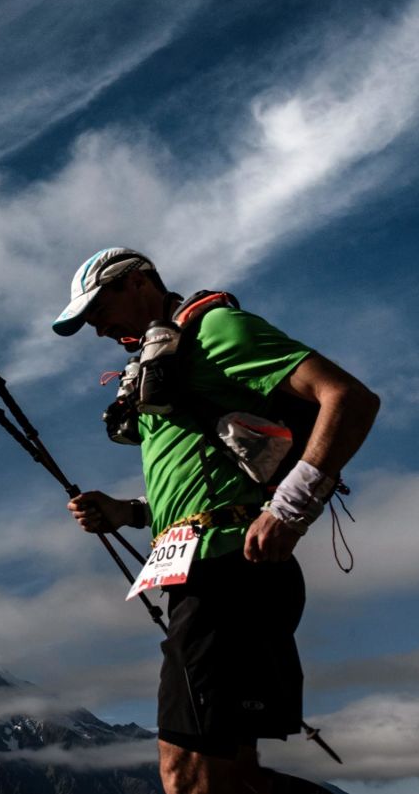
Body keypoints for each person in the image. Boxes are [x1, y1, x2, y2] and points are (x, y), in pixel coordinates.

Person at [51, 248, 380, 794]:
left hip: (232, 573)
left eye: (97, 307)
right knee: (221, 776)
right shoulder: (163, 364)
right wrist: (129, 513)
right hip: (205, 575)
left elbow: (348, 397)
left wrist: (290, 509)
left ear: (137, 282)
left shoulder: (215, 329)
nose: (95, 327)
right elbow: (204, 484)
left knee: (191, 779)